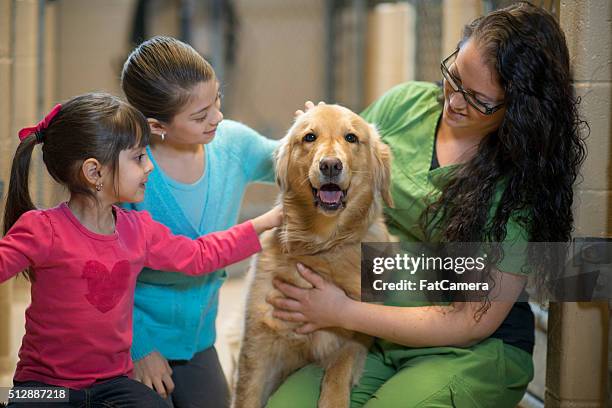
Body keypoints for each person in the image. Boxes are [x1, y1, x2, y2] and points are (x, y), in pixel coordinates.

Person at [267, 2, 586, 407]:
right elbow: (336, 178)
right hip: (373, 332)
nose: (454, 102)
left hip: (467, 350)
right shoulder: (405, 106)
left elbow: (468, 323)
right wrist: (309, 141)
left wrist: (341, 311)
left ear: (519, 110)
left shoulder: (518, 185)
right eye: (454, 77)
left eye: (479, 100)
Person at [1, 93, 282, 407]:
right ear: (94, 173)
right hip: (43, 385)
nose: (149, 166)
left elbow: (200, 255)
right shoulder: (41, 229)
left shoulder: (138, 230)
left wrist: (266, 223)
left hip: (113, 383)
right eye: (137, 157)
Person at [120, 36, 278, 407]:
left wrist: (318, 130)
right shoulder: (128, 174)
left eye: (217, 100)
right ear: (157, 125)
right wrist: (138, 348)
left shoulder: (233, 144)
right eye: (200, 115)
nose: (217, 118)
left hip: (198, 341)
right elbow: (104, 279)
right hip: (131, 337)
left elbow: (291, 161)